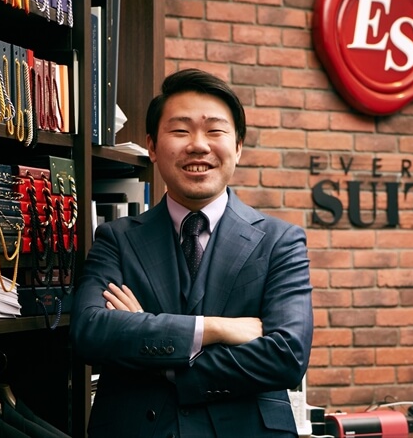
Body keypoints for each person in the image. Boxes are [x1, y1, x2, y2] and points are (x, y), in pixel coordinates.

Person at [70, 68, 313, 437]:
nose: (198, 145)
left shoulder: (280, 242)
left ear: (238, 147)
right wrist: (213, 329)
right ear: (152, 147)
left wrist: (154, 347)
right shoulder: (116, 239)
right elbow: (90, 332)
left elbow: (287, 356)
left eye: (215, 131)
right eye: (181, 131)